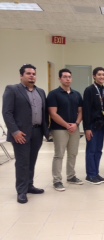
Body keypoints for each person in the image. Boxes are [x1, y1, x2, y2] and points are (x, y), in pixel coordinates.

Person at [2, 64, 49, 204]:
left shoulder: (40, 92)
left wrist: (46, 132)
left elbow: (44, 113)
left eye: (34, 73)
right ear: (21, 75)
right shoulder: (12, 90)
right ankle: (21, 191)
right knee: (22, 162)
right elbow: (7, 112)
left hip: (37, 132)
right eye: (28, 73)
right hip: (21, 134)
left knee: (31, 161)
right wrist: (15, 131)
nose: (31, 76)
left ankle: (29, 185)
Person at [47, 68, 83, 191]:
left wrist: (76, 124)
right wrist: (67, 125)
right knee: (59, 155)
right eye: (65, 77)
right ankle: (57, 180)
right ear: (60, 79)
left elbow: (80, 111)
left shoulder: (77, 94)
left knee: (73, 153)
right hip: (59, 129)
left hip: (75, 128)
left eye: (69, 77)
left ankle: (71, 176)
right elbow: (53, 113)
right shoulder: (53, 94)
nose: (68, 79)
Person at [83, 67, 104, 185]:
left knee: (98, 150)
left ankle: (96, 173)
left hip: (101, 125)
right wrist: (87, 128)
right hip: (92, 125)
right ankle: (90, 175)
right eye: (99, 75)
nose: (101, 77)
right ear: (94, 76)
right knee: (91, 150)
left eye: (103, 75)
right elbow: (86, 110)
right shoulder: (89, 90)